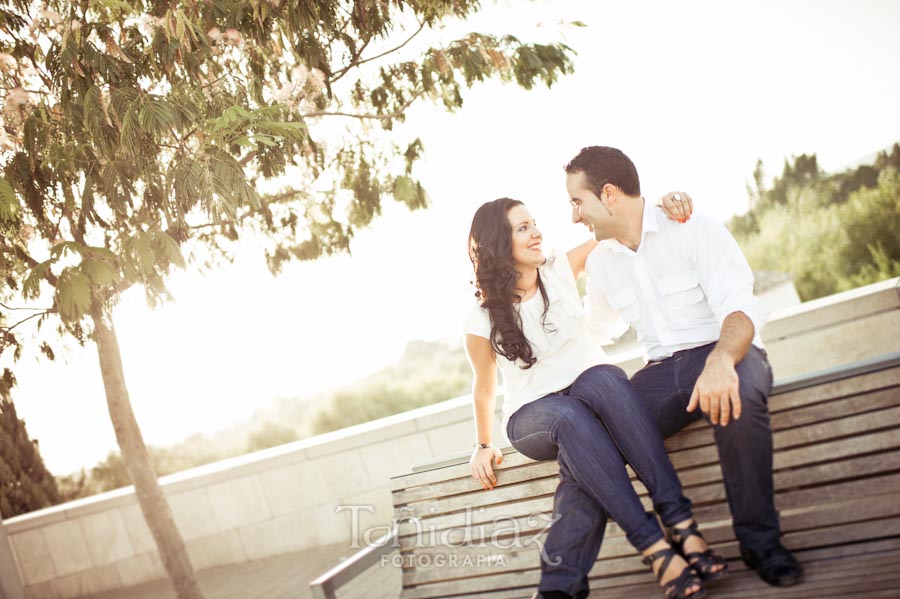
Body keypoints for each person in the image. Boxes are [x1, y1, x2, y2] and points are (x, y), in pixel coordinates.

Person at [564, 145, 804, 588]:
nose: (575, 215)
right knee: (589, 441)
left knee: (741, 393)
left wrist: (720, 360)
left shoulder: (692, 228)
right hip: (659, 373)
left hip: (725, 349)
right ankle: (569, 579)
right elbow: (592, 332)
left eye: (578, 202)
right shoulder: (601, 262)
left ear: (610, 194)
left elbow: (739, 308)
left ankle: (762, 546)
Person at [464, 197, 725, 599]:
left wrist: (660, 203)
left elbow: (613, 228)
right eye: (522, 228)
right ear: (499, 243)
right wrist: (482, 445)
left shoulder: (559, 271)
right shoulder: (481, 316)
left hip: (590, 402)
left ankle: (681, 526)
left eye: (534, 223)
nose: (537, 233)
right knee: (570, 415)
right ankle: (654, 546)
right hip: (533, 418)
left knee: (605, 377)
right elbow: (484, 385)